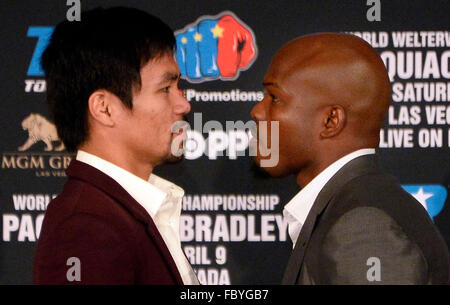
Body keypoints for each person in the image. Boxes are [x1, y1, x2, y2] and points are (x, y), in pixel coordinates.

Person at [251, 33, 449, 284]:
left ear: (331, 121)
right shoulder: (351, 208)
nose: (257, 111)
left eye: (275, 98)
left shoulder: (364, 226)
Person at [33, 7, 198, 285]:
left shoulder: (118, 211)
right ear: (105, 108)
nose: (184, 104)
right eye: (165, 89)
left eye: (178, 87)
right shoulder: (85, 229)